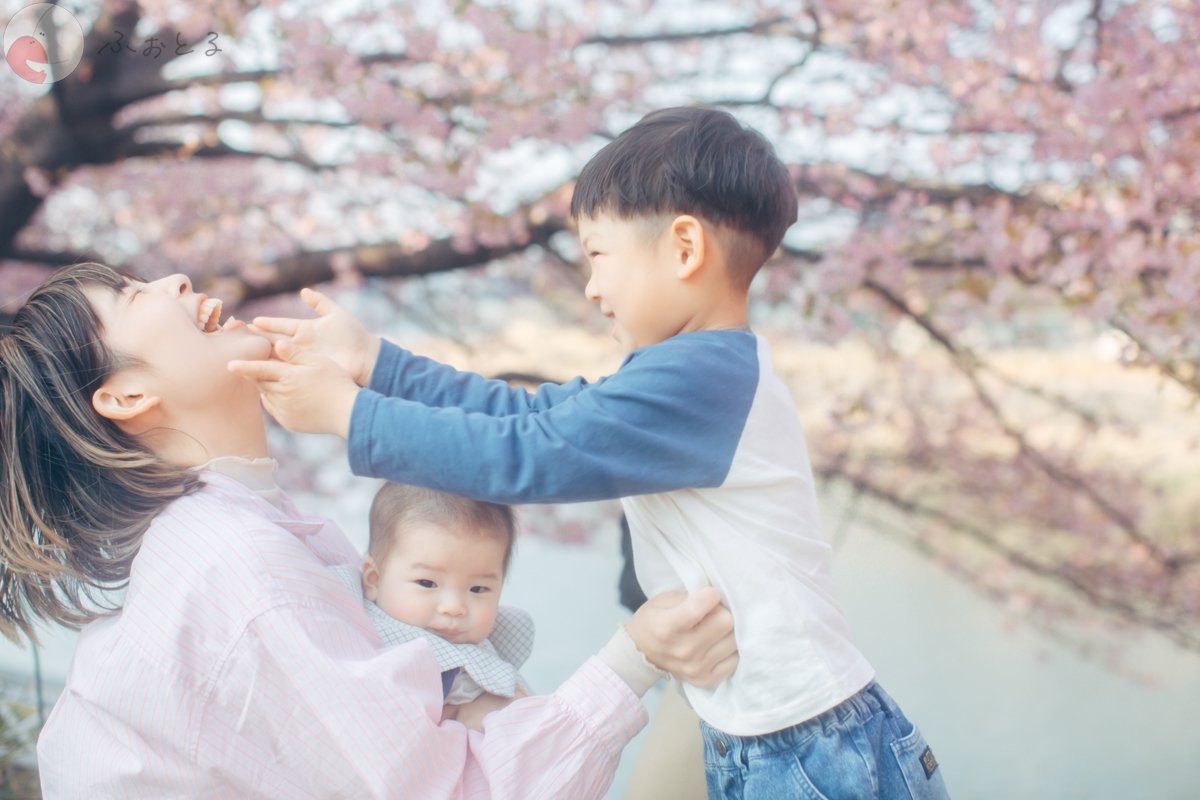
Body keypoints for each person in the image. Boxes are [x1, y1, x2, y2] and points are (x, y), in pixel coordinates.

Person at [231, 106, 951, 798]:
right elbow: (532, 415)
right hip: (771, 733)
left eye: (599, 256)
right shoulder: (687, 373)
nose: (593, 288)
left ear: (685, 248)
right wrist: (378, 366)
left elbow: (531, 453)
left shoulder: (701, 379)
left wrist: (350, 414)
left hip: (812, 745)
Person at [0, 263, 739, 799]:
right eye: (134, 296)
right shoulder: (236, 564)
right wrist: (633, 660)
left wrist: (380, 368)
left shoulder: (227, 536)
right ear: (127, 394)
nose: (174, 284)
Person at [344, 481, 533, 714]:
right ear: (374, 579)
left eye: (478, 589)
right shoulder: (368, 639)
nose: (454, 608)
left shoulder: (483, 652)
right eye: (427, 583)